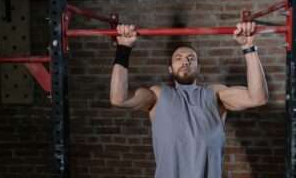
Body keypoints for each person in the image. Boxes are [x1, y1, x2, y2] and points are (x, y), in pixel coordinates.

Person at [110, 22, 268, 178]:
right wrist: (124, 48)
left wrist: (248, 47)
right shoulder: (157, 96)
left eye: (191, 58)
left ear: (198, 68)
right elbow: (119, 98)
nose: (185, 61)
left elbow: (258, 98)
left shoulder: (215, 94)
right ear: (170, 69)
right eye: (178, 58)